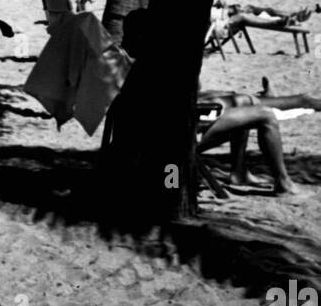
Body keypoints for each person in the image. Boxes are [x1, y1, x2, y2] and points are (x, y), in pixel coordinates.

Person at [121, 11, 301, 196]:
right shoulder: (156, 65)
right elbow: (183, 100)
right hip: (172, 140)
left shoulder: (139, 63)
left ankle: (238, 172)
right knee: (266, 116)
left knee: (244, 102)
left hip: (161, 134)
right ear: (144, 35)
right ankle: (283, 183)